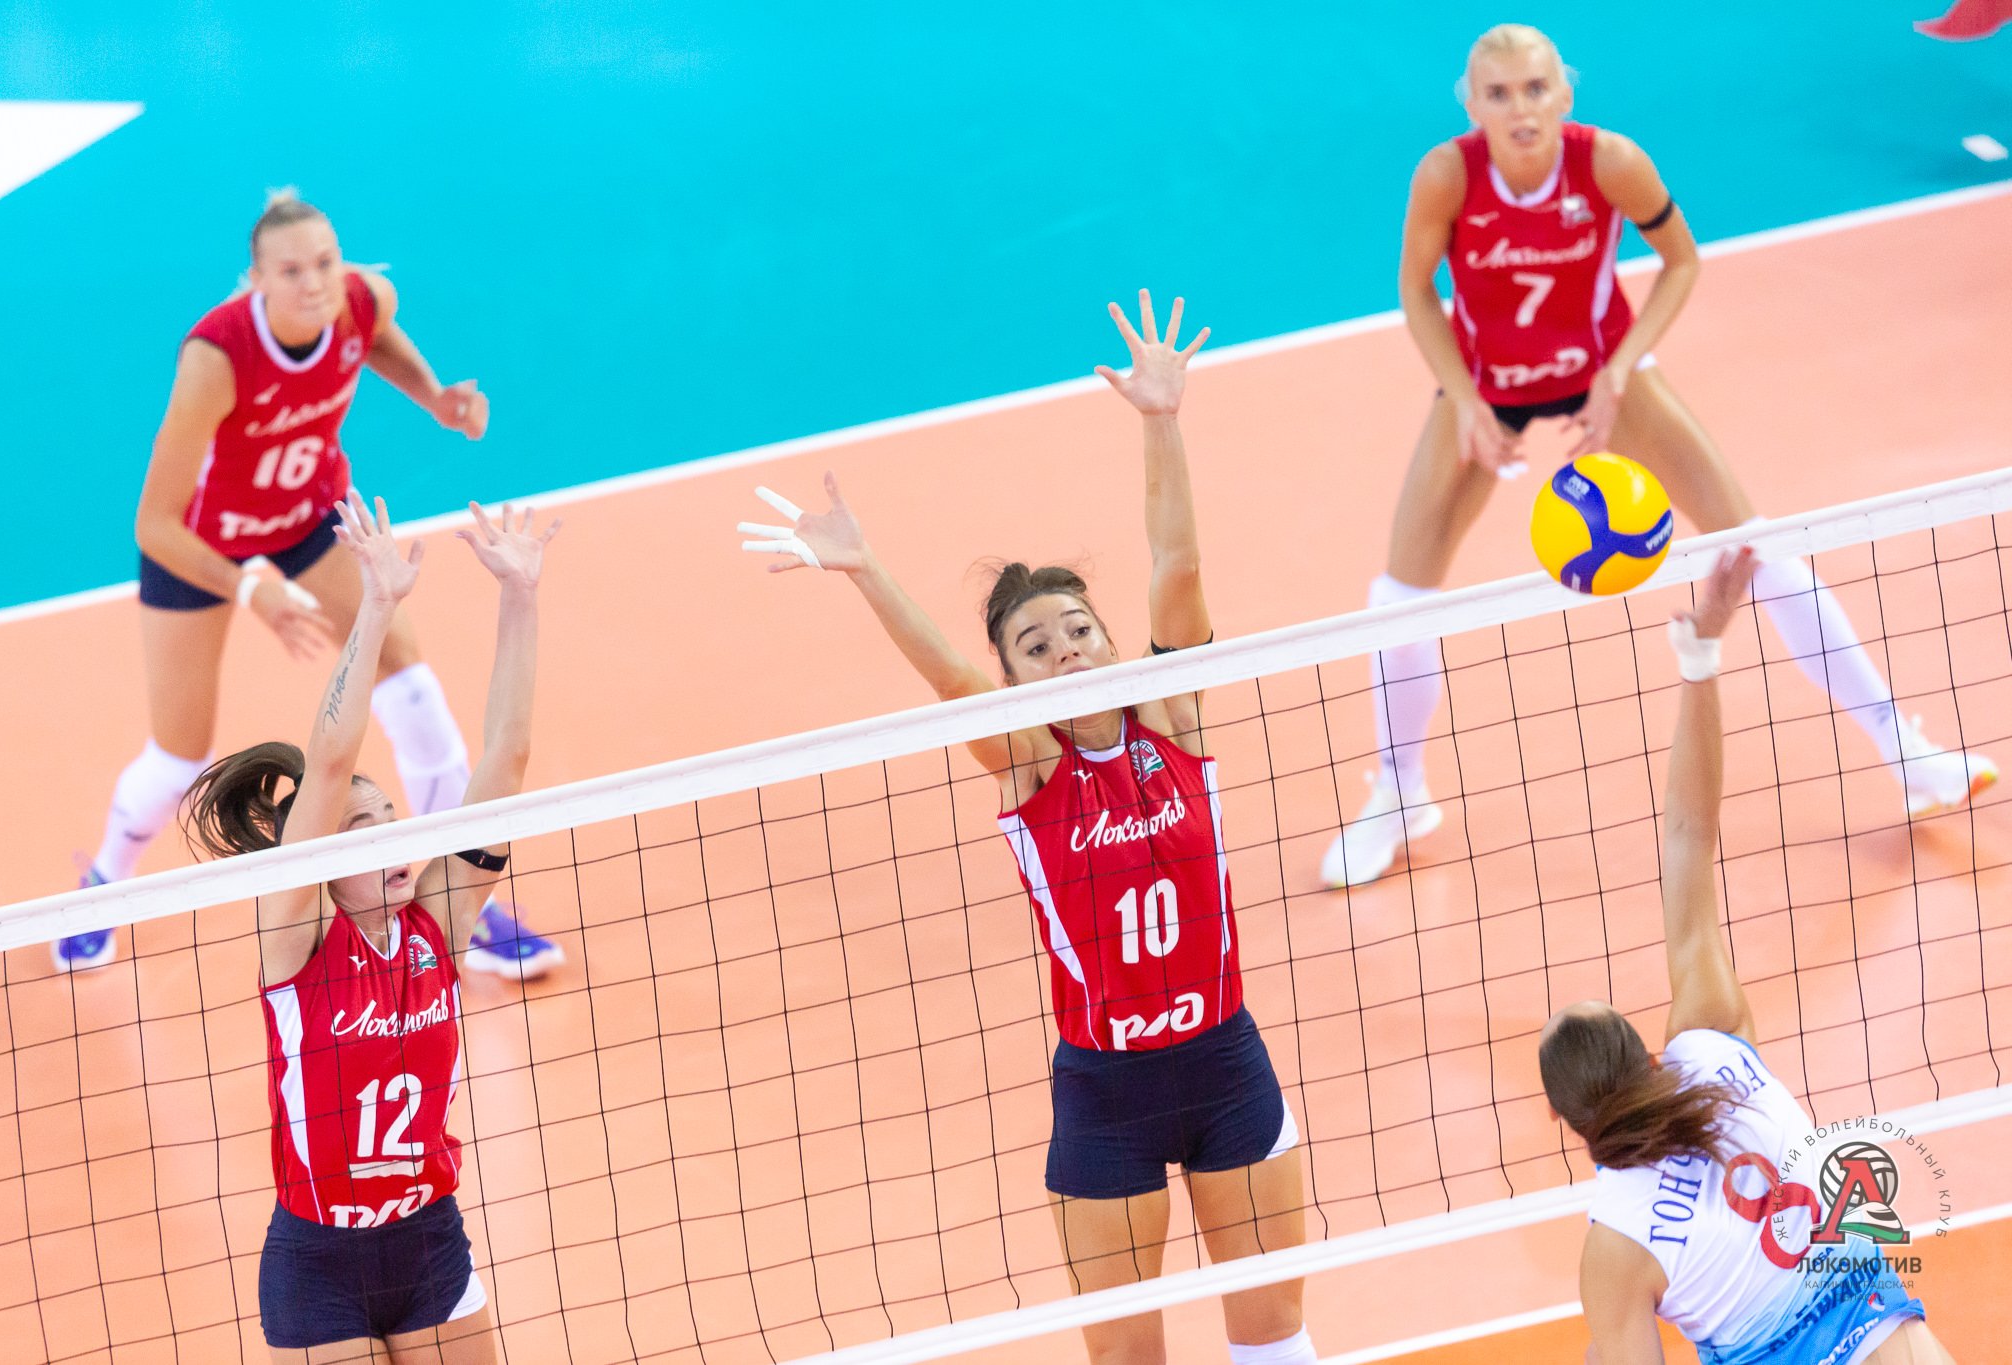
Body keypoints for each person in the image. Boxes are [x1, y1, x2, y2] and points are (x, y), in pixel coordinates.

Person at [737, 293, 1315, 1365]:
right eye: (1036, 647)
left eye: (1079, 630)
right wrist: (866, 571)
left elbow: (1178, 569)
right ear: (1015, 680)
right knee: (1124, 1357)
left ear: (1112, 641)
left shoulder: (1173, 718)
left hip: (1226, 1063)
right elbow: (952, 682)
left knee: (1273, 1331)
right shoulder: (1030, 767)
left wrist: (1160, 420)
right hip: (1107, 1091)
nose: (1068, 651)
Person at [1321, 23, 1996, 889]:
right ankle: (1399, 794)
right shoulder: (1447, 175)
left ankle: (1908, 753)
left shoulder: (1609, 163)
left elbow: (1679, 260)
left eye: (1536, 88)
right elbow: (1416, 289)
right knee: (1398, 599)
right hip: (1487, 382)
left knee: (1758, 549)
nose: (1520, 108)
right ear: (1473, 104)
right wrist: (1463, 397)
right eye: (1499, 93)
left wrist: (1618, 370)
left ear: (1564, 94)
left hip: (1605, 368)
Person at [61, 191, 562, 980]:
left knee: (410, 679)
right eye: (291, 271)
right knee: (180, 753)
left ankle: (467, 898)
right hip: (201, 544)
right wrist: (250, 588)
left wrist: (434, 395)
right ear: (257, 279)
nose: (314, 283)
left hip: (305, 519)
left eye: (325, 263)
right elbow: (154, 524)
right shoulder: (217, 357)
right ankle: (102, 885)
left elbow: (375, 336)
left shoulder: (362, 299)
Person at [1541, 546, 1955, 1365]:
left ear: (1567, 1120)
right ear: (1646, 1054)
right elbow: (1689, 834)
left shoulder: (1614, 1249)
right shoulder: (1710, 1046)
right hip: (1894, 1341)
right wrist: (1699, 657)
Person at [182, 492, 558, 1362]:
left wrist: (521, 593)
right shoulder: (295, 938)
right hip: (318, 1262)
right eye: (362, 829)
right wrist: (377, 604)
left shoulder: (437, 924)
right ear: (320, 858)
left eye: (392, 817)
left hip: (429, 1240)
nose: (392, 837)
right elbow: (330, 763)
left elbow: (506, 756)